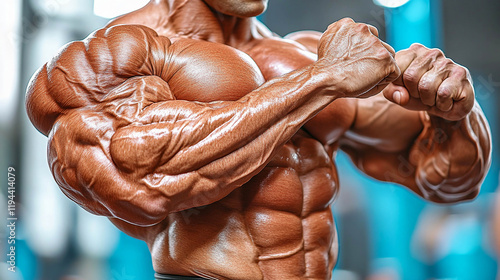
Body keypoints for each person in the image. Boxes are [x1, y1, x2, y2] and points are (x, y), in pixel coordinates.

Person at [25, 0, 492, 279]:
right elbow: (144, 181)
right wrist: (321, 83)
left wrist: (453, 109)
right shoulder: (115, 53)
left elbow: (447, 179)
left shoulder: (309, 52)